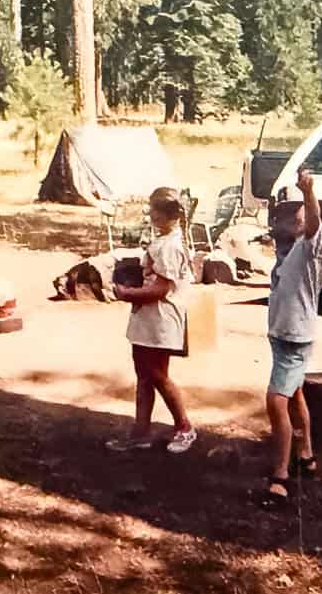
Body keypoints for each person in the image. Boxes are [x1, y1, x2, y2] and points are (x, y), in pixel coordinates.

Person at [107, 187, 197, 454]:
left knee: (157, 374)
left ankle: (184, 427)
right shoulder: (163, 240)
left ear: (171, 215)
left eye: (157, 211)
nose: (152, 215)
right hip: (147, 317)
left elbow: (160, 289)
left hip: (161, 318)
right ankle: (141, 432)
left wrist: (127, 293)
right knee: (144, 375)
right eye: (152, 210)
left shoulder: (171, 246)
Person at [263, 169, 322, 504]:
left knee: (276, 401)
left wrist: (309, 192)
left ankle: (280, 476)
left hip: (294, 338)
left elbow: (315, 220)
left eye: (298, 213)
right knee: (296, 393)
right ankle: (307, 455)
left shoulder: (312, 247)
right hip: (283, 335)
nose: (295, 218)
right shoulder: (289, 249)